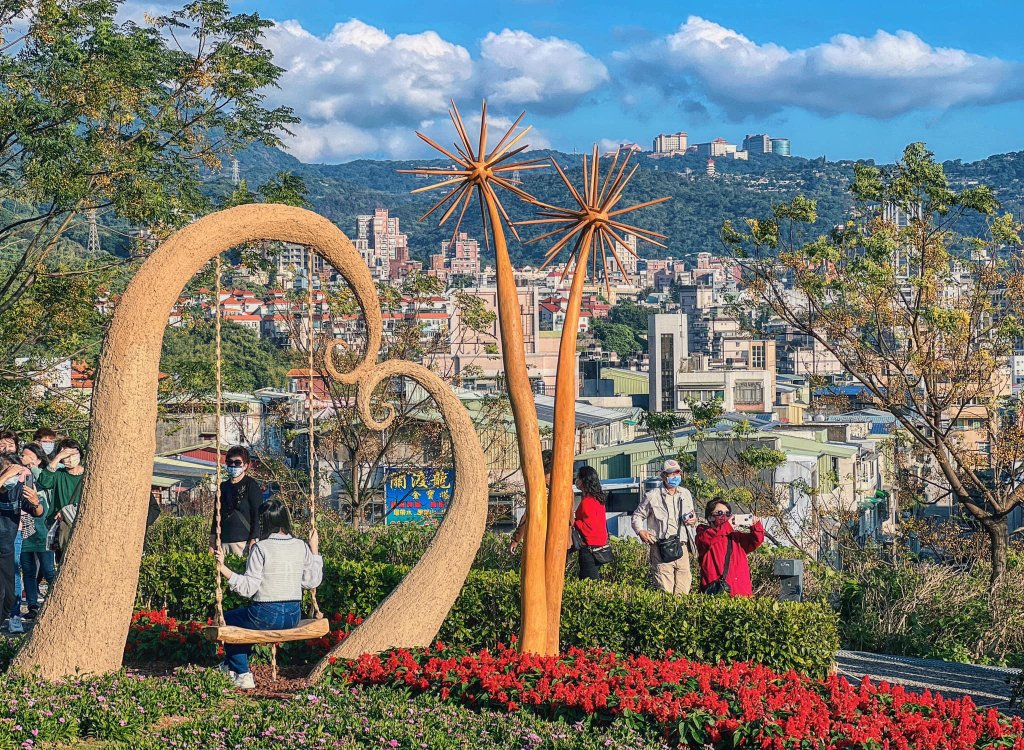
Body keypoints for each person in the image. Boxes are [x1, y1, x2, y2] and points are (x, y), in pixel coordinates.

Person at [214, 498, 322, 689]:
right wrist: (314, 549)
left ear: (263, 523)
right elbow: (312, 581)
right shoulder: (301, 545)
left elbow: (249, 588)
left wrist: (223, 568)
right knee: (242, 621)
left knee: (230, 620)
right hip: (293, 616)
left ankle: (242, 673)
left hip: (265, 615)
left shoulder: (260, 548)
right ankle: (231, 665)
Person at [631, 459, 698, 595]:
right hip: (661, 547)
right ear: (663, 475)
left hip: (682, 547)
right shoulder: (652, 495)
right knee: (665, 590)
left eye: (677, 473)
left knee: (684, 590)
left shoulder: (685, 494)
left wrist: (694, 520)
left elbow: (692, 516)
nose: (675, 476)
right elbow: (637, 516)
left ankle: (680, 615)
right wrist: (640, 531)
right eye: (671, 474)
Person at [0, 452, 43, 633]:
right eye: (11, 471)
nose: (14, 477)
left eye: (17, 473)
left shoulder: (17, 489)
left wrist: (35, 503)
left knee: (9, 597)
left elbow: (38, 512)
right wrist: (5, 476)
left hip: (6, 550)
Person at [695, 501, 765, 597]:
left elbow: (756, 540)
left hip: (741, 595)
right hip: (716, 593)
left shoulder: (737, 537)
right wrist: (727, 526)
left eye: (727, 513)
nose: (724, 516)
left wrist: (755, 525)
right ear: (710, 517)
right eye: (719, 513)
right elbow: (706, 539)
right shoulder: (703, 533)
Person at [18, 444, 55, 620]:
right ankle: (32, 605)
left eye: (28, 456)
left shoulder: (44, 479)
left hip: (43, 532)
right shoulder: (18, 476)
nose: (23, 458)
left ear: (39, 459)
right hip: (24, 532)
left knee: (49, 570)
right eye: (22, 455)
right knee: (28, 571)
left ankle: (54, 602)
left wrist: (33, 466)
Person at [37, 438, 85, 559]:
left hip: (81, 523)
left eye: (73, 454)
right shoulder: (59, 474)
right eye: (66, 455)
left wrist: (67, 510)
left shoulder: (87, 475)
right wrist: (57, 458)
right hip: (62, 526)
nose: (69, 458)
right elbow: (44, 481)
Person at [209, 446, 261, 557]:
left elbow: (257, 515)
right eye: (230, 462)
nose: (233, 465)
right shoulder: (223, 486)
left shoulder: (251, 486)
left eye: (237, 463)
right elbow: (216, 515)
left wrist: (254, 539)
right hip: (223, 541)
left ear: (245, 465)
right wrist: (212, 540)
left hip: (243, 542)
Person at [509, 449, 554, 554]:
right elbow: (529, 513)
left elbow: (528, 514)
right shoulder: (560, 489)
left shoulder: (543, 489)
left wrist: (516, 540)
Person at [571, 466, 610, 581]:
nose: (576, 480)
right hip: (599, 547)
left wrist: (574, 522)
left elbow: (588, 527)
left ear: (583, 480)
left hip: (589, 549)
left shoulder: (587, 501)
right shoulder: (598, 499)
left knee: (588, 582)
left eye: (578, 477)